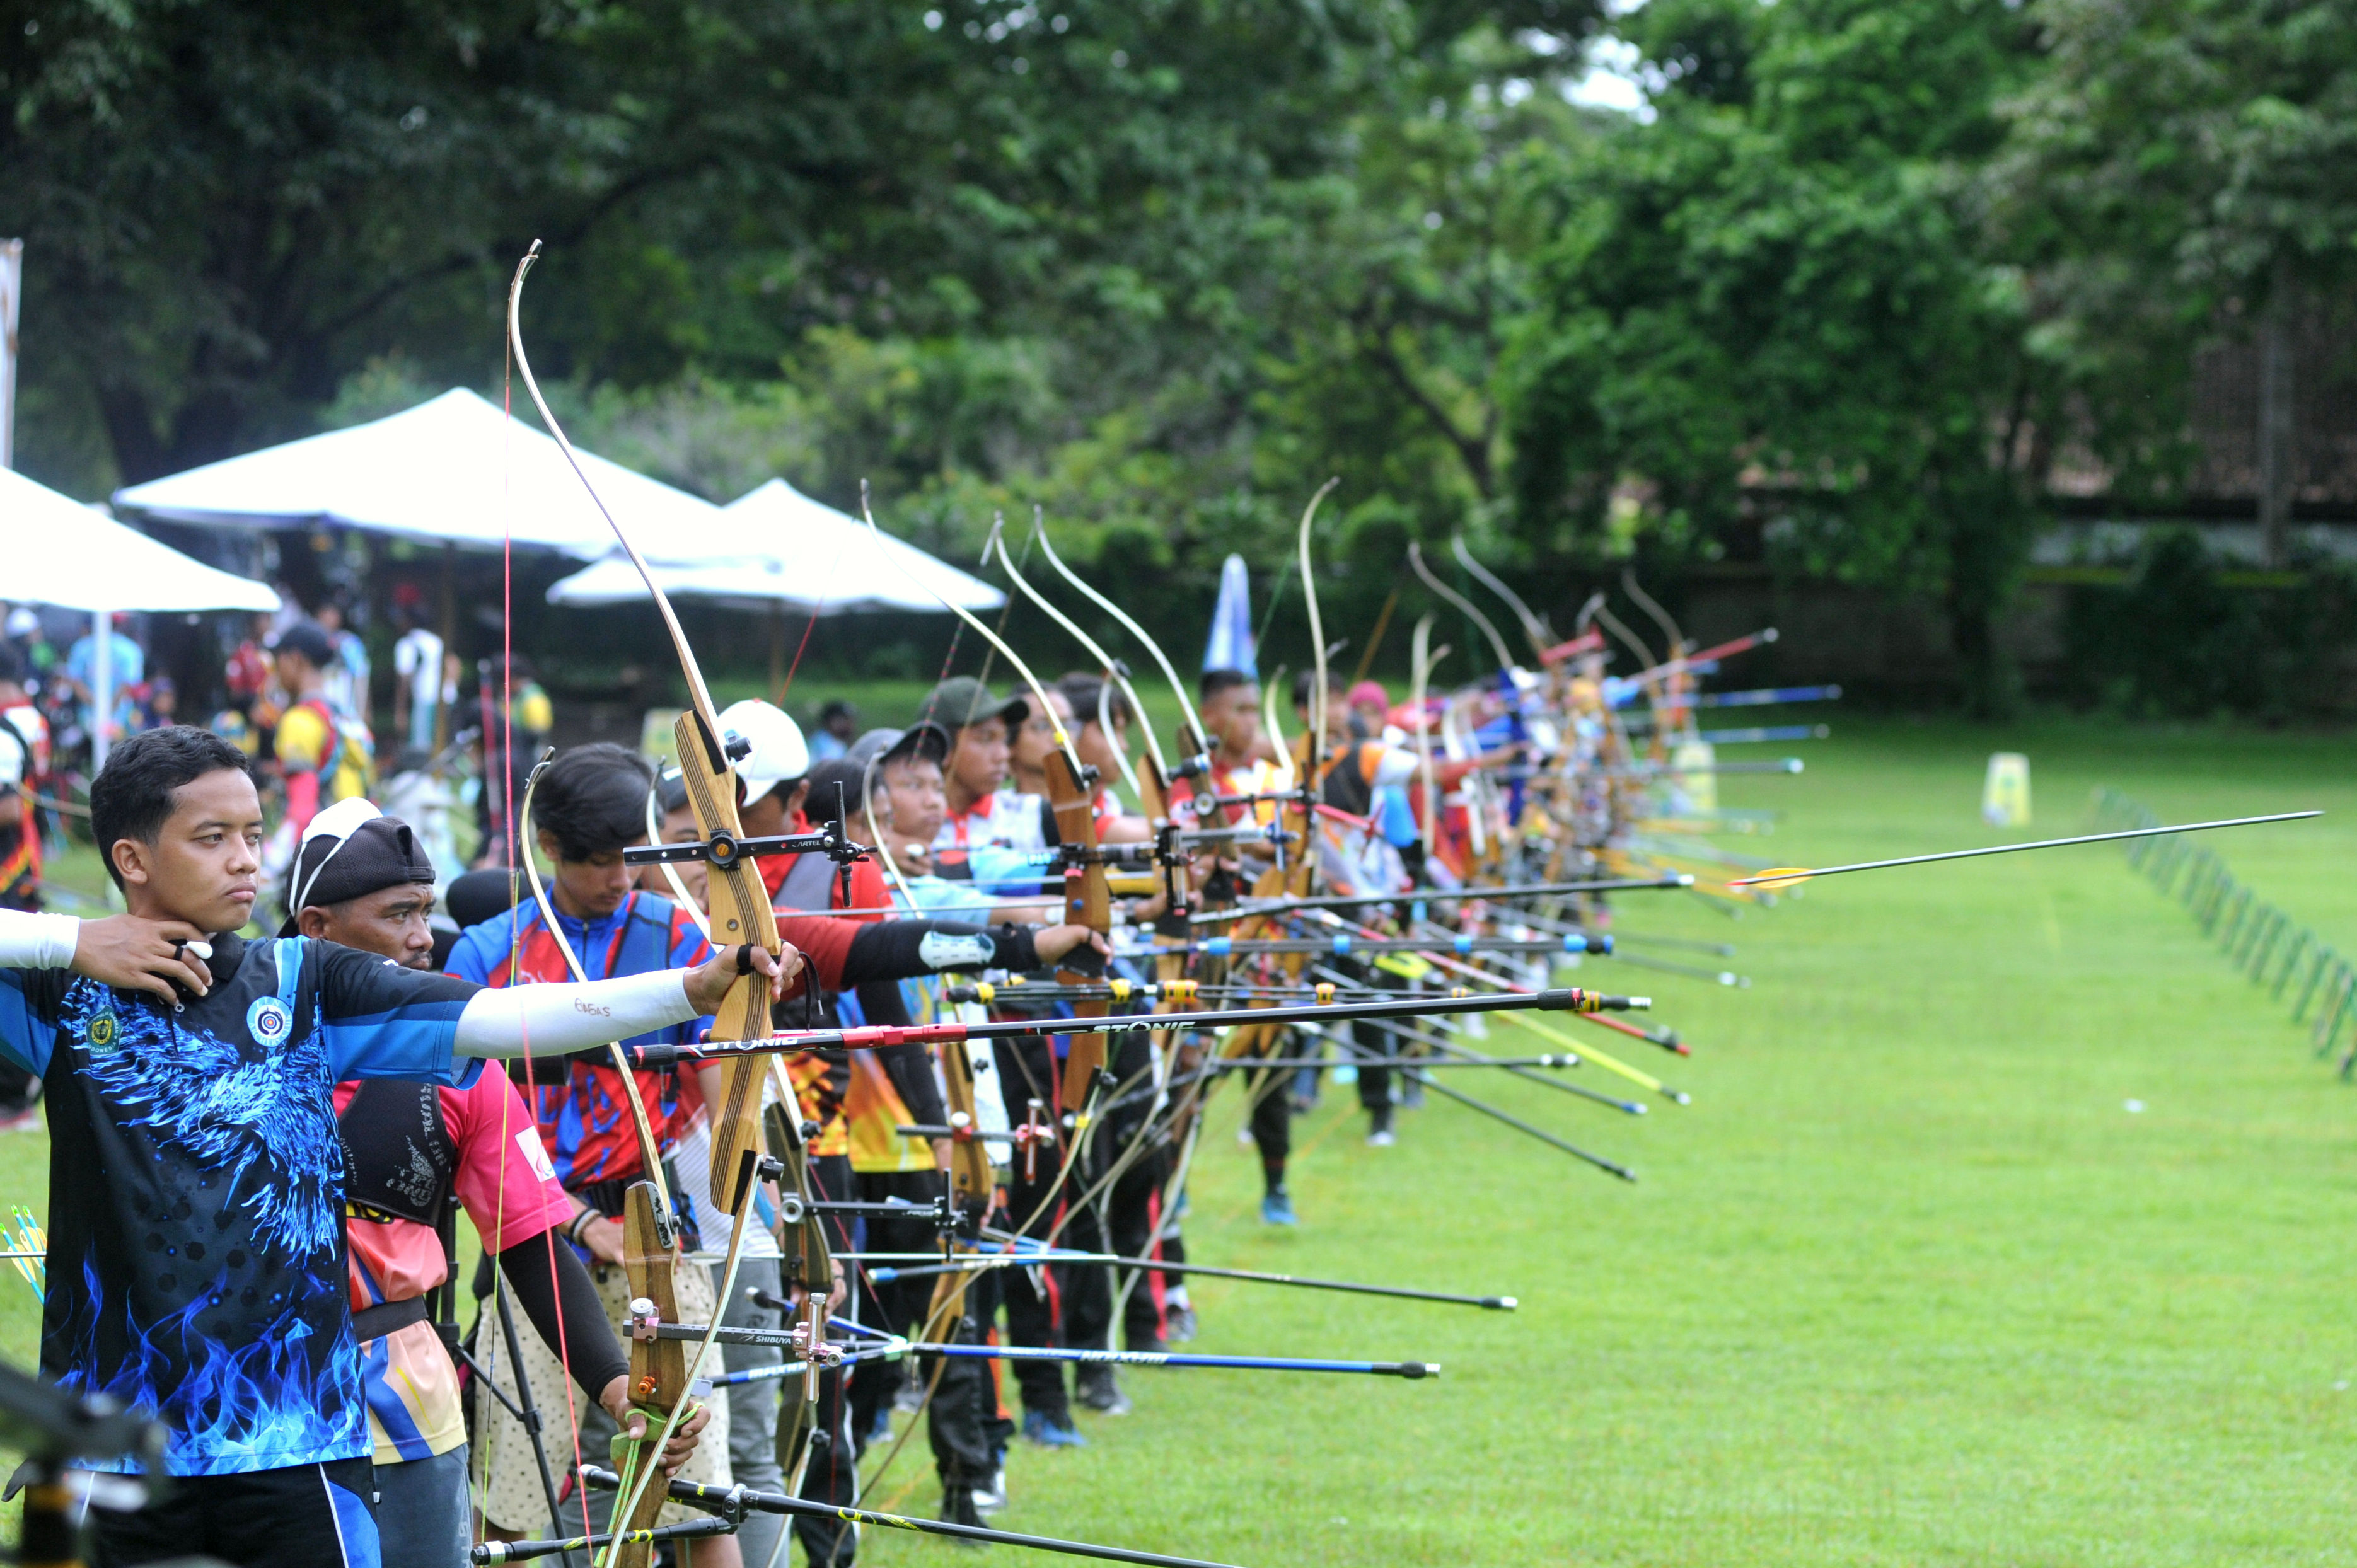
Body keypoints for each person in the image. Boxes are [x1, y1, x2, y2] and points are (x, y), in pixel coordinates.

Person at [0, 725, 792, 1568]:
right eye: (212, 837)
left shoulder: (304, 981)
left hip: (296, 1444)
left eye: (254, 835)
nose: (245, 860)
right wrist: (71, 941)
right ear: (131, 858)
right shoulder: (60, 992)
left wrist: (690, 988)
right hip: (112, 1449)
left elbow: (501, 1019)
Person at [282, 798, 673, 1568]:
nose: (423, 938)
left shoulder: (465, 1068)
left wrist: (615, 1383)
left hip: (394, 1394)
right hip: (239, 1382)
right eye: (397, 914)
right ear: (317, 928)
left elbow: (530, 1243)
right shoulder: (225, 1033)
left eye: (425, 911)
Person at [444, 744, 748, 1566]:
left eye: (634, 858)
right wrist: (578, 1225)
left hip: (657, 1231)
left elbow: (720, 1073)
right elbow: (469, 1129)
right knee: (512, 1489)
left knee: (701, 1483)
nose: (620, 879)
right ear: (548, 844)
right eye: (599, 861)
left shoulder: (681, 935)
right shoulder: (482, 955)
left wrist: (738, 1162)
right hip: (534, 1240)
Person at [272, 621, 375, 836]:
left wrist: (271, 864)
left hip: (324, 851)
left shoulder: (299, 721)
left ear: (295, 659)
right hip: (361, 843)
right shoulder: (348, 721)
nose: (276, 670)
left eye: (278, 660)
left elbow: (301, 810)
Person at [64, 613, 144, 753]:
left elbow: (75, 682)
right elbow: (128, 685)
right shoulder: (130, 649)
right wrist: (110, 708)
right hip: (120, 717)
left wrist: (96, 706)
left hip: (89, 716)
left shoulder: (82, 646)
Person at [390, 603, 444, 754]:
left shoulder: (407, 644)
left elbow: (404, 679)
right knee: (437, 743)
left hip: (422, 698)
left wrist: (400, 710)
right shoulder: (436, 642)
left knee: (420, 748)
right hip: (442, 698)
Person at [315, 601, 373, 728]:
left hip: (346, 713)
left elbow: (361, 677)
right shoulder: (312, 643)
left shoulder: (348, 643)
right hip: (319, 712)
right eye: (324, 614)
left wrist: (362, 711)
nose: (328, 619)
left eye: (332, 615)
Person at [808, 698, 857, 762]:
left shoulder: (840, 742)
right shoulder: (821, 742)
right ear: (829, 721)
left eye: (849, 720)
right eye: (841, 720)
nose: (847, 724)